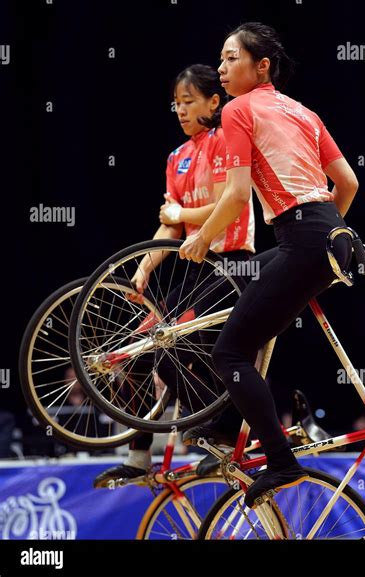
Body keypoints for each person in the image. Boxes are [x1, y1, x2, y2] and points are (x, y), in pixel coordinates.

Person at [179, 22, 359, 507]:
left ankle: (281, 461)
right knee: (233, 291)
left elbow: (237, 196)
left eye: (231, 58)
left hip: (304, 238)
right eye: (219, 59)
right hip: (332, 238)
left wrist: (202, 239)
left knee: (227, 354)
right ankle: (225, 428)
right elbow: (348, 184)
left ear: (261, 66)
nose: (220, 67)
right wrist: (320, 236)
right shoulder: (303, 111)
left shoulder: (239, 109)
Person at [94, 64, 256, 487]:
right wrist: (144, 268)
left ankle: (219, 436)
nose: (180, 111)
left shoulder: (227, 140)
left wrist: (180, 213)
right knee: (131, 354)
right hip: (192, 267)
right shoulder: (177, 158)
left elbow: (226, 203)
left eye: (189, 102)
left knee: (173, 350)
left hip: (232, 264)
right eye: (176, 104)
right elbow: (170, 226)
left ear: (213, 101)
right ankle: (138, 455)